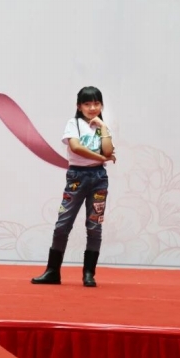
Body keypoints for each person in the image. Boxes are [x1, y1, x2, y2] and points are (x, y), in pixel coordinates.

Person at [32, 86, 115, 287]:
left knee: (94, 226)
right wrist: (101, 158)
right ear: (79, 106)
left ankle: (89, 274)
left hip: (99, 178)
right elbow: (76, 147)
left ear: (101, 105)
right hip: (77, 177)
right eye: (87, 104)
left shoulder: (102, 127)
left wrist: (104, 129)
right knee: (63, 224)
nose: (92, 108)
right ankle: (53, 271)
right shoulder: (74, 124)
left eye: (96, 103)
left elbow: (108, 150)